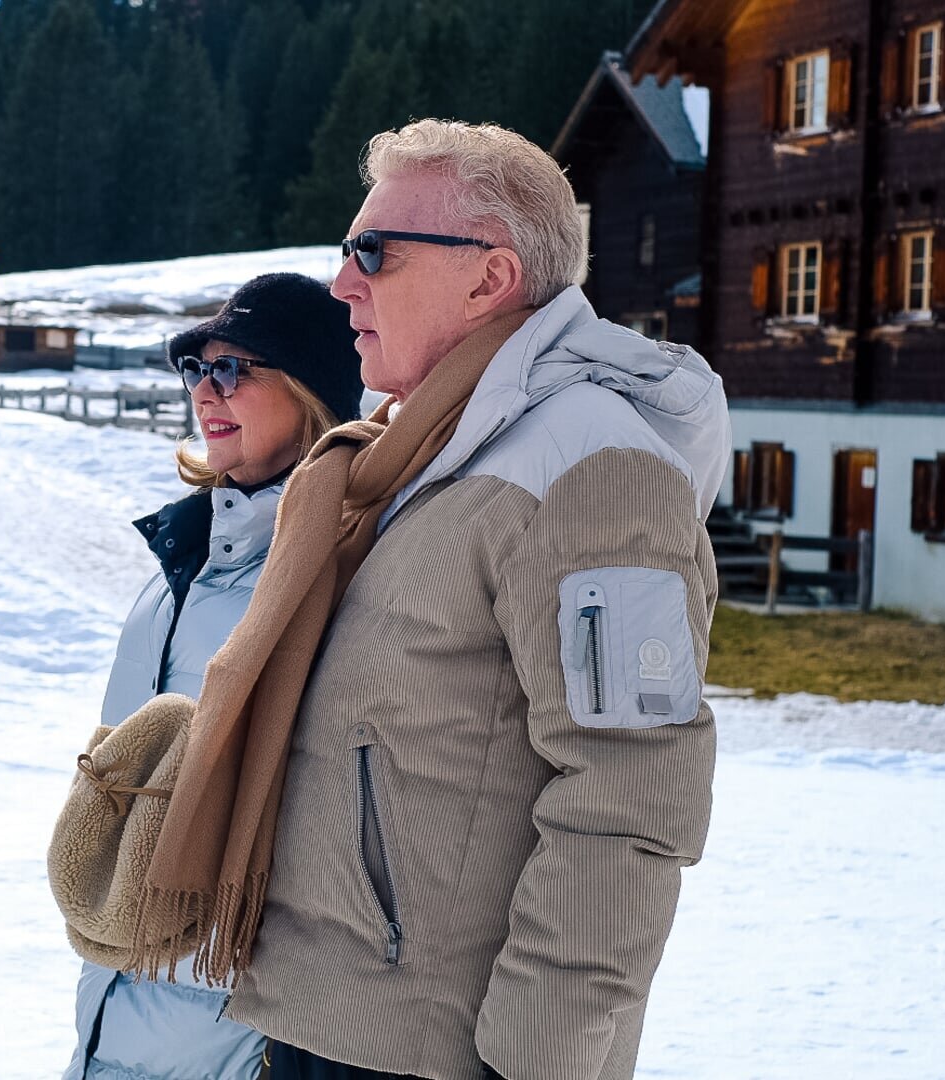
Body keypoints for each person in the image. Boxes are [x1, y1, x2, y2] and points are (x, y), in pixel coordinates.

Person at [129, 120, 732, 1080]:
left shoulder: (590, 467)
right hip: (316, 1015)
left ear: (489, 279)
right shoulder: (403, 459)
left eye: (373, 253)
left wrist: (537, 1062)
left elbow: (631, 797)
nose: (342, 286)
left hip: (435, 1053)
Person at [66, 273, 365, 1080]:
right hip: (114, 1002)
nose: (206, 388)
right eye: (196, 368)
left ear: (308, 394)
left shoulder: (330, 578)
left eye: (235, 369)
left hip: (230, 1028)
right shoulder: (182, 558)